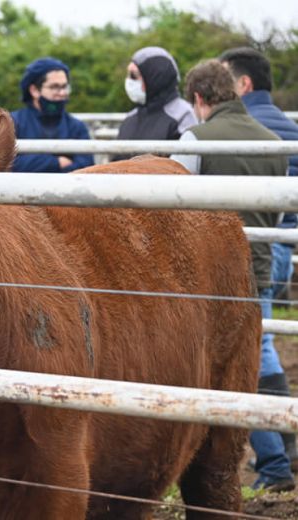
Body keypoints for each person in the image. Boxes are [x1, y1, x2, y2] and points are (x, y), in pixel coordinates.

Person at [170, 59, 294, 491]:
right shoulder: (272, 140)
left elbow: (170, 206)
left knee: (235, 361)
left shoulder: (195, 138)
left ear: (199, 99)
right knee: (259, 348)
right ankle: (284, 441)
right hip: (261, 258)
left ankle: (276, 458)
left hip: (207, 272)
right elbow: (277, 211)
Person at [219, 46, 298, 473]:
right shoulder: (287, 126)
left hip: (251, 250)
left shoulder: (245, 127)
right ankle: (283, 443)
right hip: (282, 244)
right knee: (261, 341)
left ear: (243, 84)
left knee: (256, 346)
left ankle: (279, 449)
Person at [11, 57, 94, 173]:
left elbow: (86, 166)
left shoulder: (76, 126)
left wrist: (34, 164)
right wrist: (58, 162)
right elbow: (7, 164)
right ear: (34, 90)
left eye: (65, 87)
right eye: (54, 87)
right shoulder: (13, 123)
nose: (62, 93)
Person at [114, 47, 196, 160]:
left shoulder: (184, 116)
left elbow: (185, 165)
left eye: (133, 76)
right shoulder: (131, 118)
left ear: (154, 77)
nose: (129, 81)